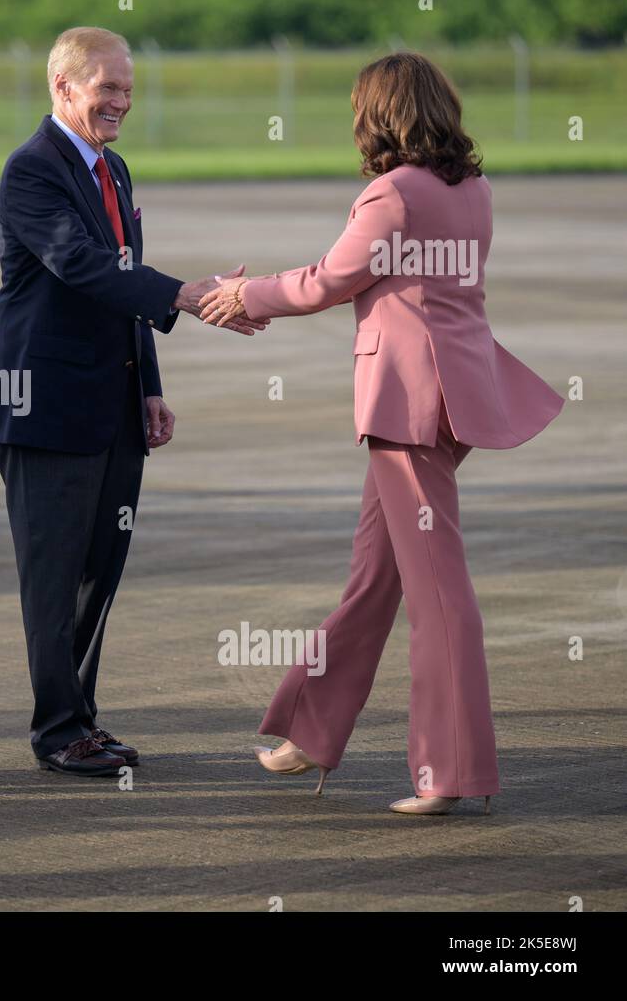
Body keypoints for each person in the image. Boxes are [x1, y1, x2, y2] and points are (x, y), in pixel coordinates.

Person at [199, 52, 563, 815]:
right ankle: (312, 731)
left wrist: (241, 293)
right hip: (455, 396)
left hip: (409, 405)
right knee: (375, 579)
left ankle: (450, 771)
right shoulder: (475, 189)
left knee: (438, 593)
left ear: (380, 115)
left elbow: (329, 279)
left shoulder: (392, 194)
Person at [0, 26, 267, 777]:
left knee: (96, 572)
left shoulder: (114, 170)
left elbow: (122, 277)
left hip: (111, 405)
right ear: (63, 87)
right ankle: (56, 732)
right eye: (107, 88)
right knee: (52, 578)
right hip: (46, 409)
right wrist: (188, 294)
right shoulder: (31, 172)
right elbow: (79, 266)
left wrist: (149, 385)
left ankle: (80, 718)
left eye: (128, 90)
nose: (121, 102)